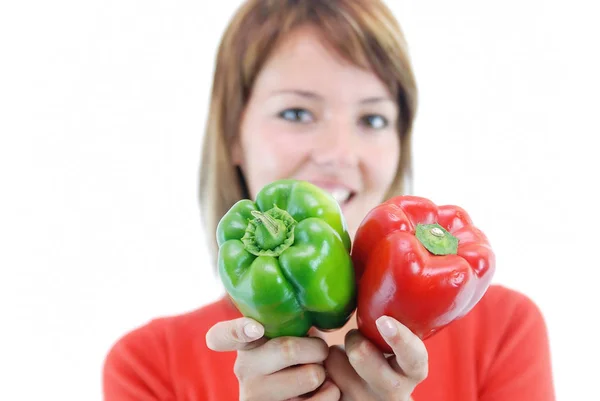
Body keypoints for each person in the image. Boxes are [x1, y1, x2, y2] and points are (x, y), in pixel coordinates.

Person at [102, 1, 556, 400]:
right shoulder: (149, 366)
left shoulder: (504, 331)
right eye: (297, 112)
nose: (340, 152)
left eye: (373, 118)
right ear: (232, 136)